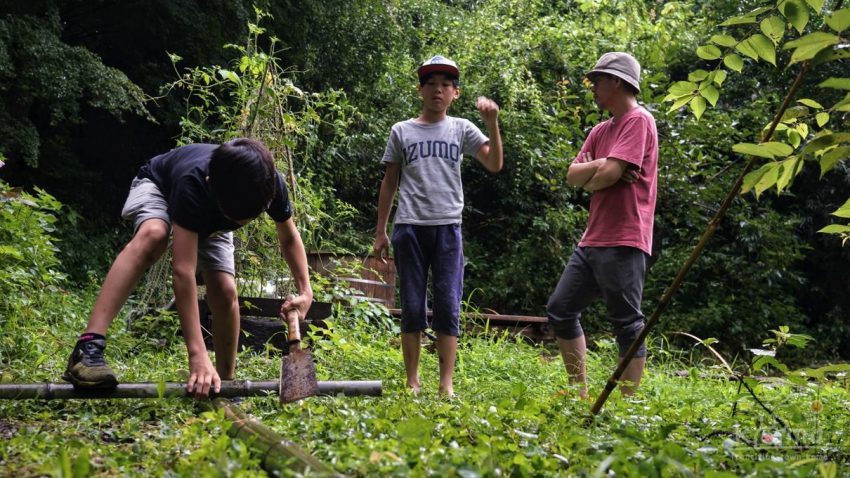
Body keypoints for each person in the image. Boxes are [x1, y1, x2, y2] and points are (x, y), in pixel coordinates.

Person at [63, 138, 313, 398]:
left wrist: (306, 291)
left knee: (225, 290)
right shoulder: (193, 182)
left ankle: (225, 385)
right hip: (159, 185)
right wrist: (197, 354)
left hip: (210, 217)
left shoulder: (266, 184)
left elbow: (289, 237)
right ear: (211, 186)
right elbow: (183, 272)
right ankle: (88, 347)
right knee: (154, 235)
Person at [373, 55, 503, 397]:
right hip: (410, 227)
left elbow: (493, 163)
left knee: (448, 303)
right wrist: (380, 231)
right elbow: (389, 182)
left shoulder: (461, 128)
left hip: (448, 228)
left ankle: (446, 384)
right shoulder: (402, 130)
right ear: (420, 90)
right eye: (431, 84)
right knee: (413, 304)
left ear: (455, 93)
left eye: (446, 85)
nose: (438, 90)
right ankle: (412, 380)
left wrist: (492, 124)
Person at [547, 52, 658, 398]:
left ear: (617, 81)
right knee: (561, 309)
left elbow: (603, 175)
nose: (593, 87)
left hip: (625, 238)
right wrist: (604, 168)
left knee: (627, 323)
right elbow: (571, 176)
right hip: (593, 239)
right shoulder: (599, 131)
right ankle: (578, 394)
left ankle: (628, 405)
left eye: (598, 80)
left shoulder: (639, 121)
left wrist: (596, 172)